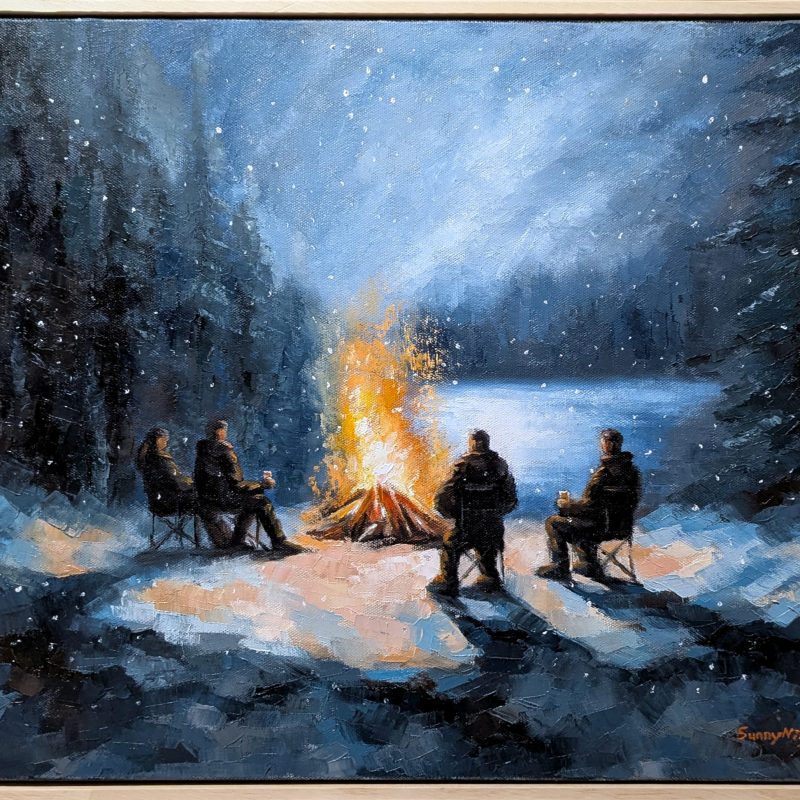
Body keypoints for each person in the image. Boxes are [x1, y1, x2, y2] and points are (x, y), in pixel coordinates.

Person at [537, 428, 641, 582]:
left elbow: (590, 505)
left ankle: (560, 567)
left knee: (554, 522)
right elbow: (624, 501)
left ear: (606, 444)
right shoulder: (632, 472)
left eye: (603, 442)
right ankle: (589, 564)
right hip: (621, 527)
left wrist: (566, 506)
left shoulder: (604, 472)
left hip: (600, 527)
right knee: (583, 521)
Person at [428, 429, 518, 596]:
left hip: (467, 529)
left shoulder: (462, 465)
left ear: (472, 443)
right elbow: (511, 499)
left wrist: (454, 514)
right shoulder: (500, 465)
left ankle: (448, 581)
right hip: (493, 531)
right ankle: (490, 577)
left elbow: (442, 497)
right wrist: (494, 513)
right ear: (487, 443)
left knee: (450, 542)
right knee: (486, 540)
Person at [193, 419, 302, 552]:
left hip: (207, 501)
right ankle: (278, 541)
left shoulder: (202, 451)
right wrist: (263, 484)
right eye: (224, 430)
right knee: (261, 501)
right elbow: (237, 484)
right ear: (220, 431)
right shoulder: (225, 451)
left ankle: (237, 542)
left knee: (251, 500)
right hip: (224, 500)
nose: (225, 433)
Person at [135, 426, 195, 515]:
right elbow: (172, 480)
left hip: (160, 500)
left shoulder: (150, 456)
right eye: (164, 440)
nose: (165, 443)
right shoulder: (158, 458)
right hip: (169, 501)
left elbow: (172, 477)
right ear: (157, 440)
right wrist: (191, 483)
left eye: (166, 440)